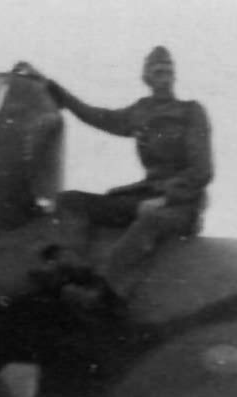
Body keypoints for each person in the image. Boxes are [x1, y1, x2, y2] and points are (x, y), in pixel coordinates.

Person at [36, 46, 213, 303]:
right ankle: (72, 265)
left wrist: (166, 199)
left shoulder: (191, 112)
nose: (164, 76)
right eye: (157, 71)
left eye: (168, 71)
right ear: (147, 78)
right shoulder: (140, 112)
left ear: (174, 76)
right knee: (70, 201)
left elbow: (202, 170)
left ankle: (105, 291)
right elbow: (100, 117)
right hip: (145, 194)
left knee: (149, 222)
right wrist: (54, 89)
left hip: (182, 204)